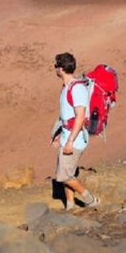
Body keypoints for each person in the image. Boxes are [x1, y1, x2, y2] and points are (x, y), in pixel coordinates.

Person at [51, 52, 100, 210]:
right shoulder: (66, 87)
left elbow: (79, 116)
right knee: (67, 172)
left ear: (61, 69)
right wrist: (59, 134)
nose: (55, 69)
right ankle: (70, 205)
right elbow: (67, 115)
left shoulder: (77, 88)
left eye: (56, 66)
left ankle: (90, 199)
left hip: (75, 138)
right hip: (67, 135)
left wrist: (71, 141)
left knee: (63, 176)